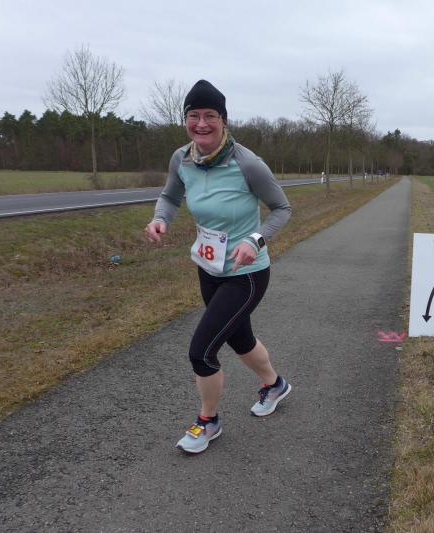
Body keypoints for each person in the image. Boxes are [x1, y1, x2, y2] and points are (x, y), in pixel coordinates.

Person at [144, 80, 292, 454]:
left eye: (210, 115)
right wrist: (161, 218)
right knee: (240, 339)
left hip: (246, 273)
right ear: (185, 120)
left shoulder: (247, 163)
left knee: (202, 351)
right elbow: (170, 196)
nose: (201, 123)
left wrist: (255, 240)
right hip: (208, 268)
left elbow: (282, 208)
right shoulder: (182, 159)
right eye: (193, 116)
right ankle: (275, 385)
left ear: (224, 120)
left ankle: (208, 421)